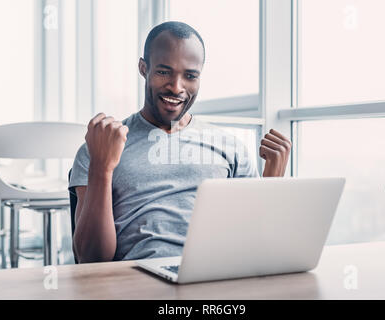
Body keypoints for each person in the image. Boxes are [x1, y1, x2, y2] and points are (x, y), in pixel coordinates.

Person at [69, 21, 292, 263]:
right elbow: (91, 260)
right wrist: (102, 167)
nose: (176, 87)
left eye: (190, 76)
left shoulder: (230, 148)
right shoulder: (101, 147)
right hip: (138, 282)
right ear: (144, 68)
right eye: (164, 72)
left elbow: (255, 245)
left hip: (215, 279)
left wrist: (272, 182)